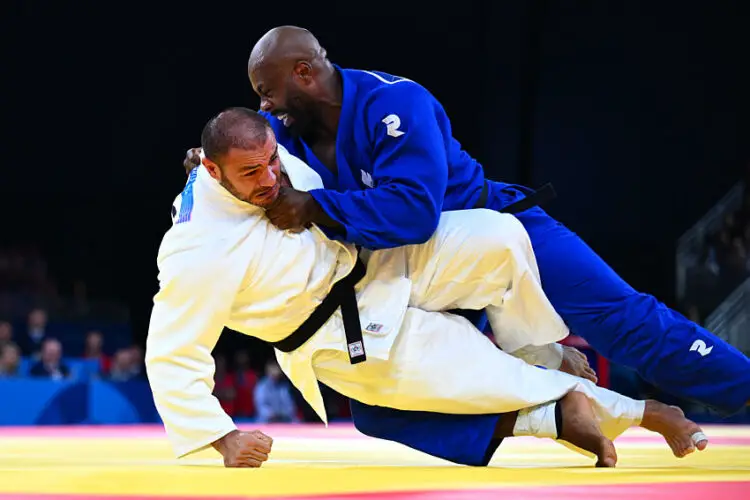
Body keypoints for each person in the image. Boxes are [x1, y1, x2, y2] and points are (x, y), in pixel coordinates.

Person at [183, 25, 750, 416]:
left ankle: (741, 384)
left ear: (304, 72)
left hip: (493, 227)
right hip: (412, 275)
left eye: (267, 91)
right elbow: (242, 150)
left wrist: (318, 206)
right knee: (382, 410)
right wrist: (204, 171)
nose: (264, 107)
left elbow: (413, 212)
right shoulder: (283, 130)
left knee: (622, 319)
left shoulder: (396, 104)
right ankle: (546, 362)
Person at [150, 107, 707, 469]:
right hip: (343, 338)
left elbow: (249, 149)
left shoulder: (242, 158)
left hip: (379, 263)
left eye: (272, 161)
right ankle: (644, 413)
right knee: (494, 376)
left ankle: (542, 351)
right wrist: (223, 438)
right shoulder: (196, 249)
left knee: (501, 235)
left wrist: (233, 162)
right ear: (217, 175)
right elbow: (173, 353)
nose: (271, 178)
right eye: (252, 174)